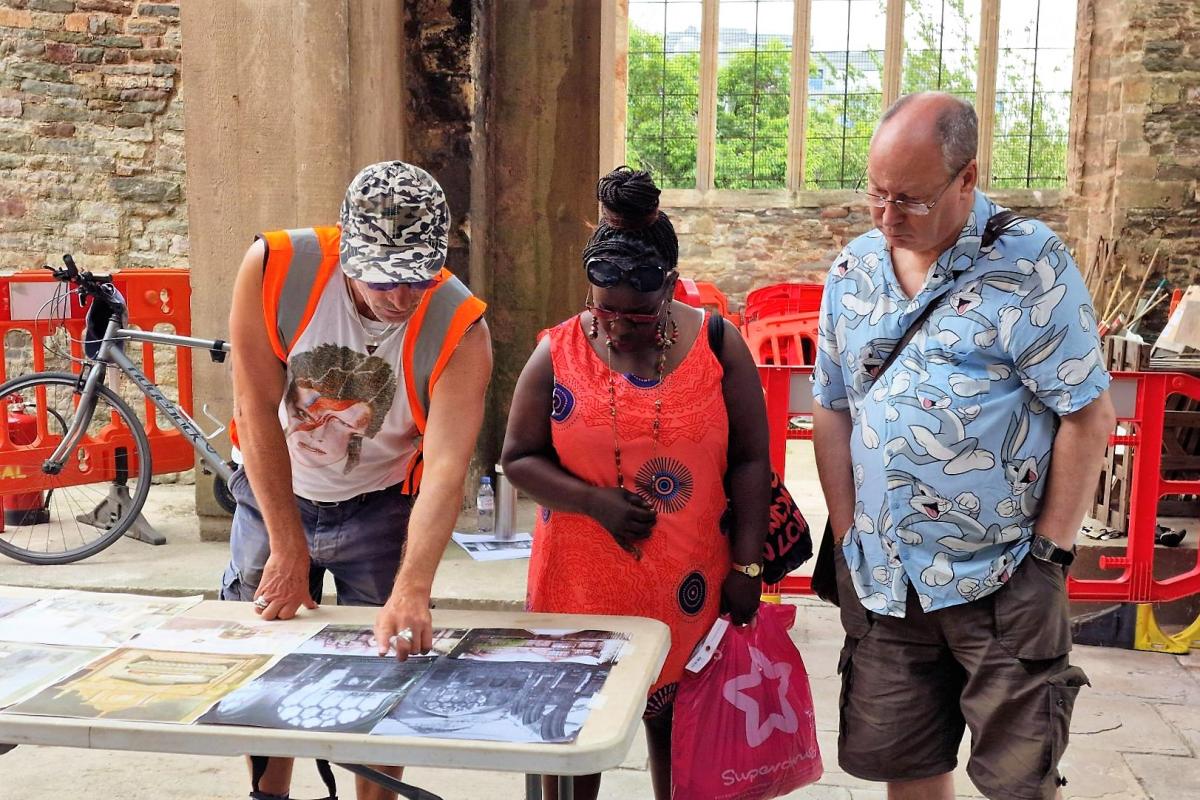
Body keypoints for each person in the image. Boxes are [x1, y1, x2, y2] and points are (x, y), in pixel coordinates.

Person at [812, 92, 1117, 800]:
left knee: (1020, 781)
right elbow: (831, 408)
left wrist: (1051, 552)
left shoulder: (1032, 265)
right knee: (908, 765)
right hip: (887, 579)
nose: (889, 217)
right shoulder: (853, 273)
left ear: (967, 178)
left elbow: (1087, 414)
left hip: (1003, 577)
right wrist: (852, 527)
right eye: (876, 194)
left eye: (912, 200)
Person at [224, 161, 492, 800]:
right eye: (384, 279)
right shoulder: (275, 269)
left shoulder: (461, 327)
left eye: (418, 278)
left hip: (380, 504)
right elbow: (253, 407)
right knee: (267, 659)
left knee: (389, 658)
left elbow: (447, 469)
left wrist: (414, 588)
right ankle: (270, 793)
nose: (401, 298)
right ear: (347, 249)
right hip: (277, 488)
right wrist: (288, 547)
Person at [500, 166, 770, 800]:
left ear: (671, 289)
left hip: (690, 583)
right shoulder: (558, 352)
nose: (620, 327)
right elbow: (517, 457)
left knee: (683, 741)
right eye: (606, 311)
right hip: (580, 582)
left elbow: (752, 460)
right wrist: (594, 503)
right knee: (569, 737)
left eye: (640, 315)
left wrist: (749, 567)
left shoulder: (718, 344)